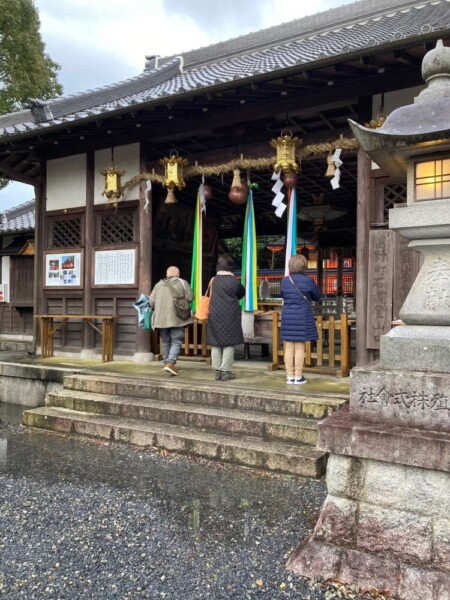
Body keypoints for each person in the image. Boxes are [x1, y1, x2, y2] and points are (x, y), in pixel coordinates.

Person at [280, 254, 321, 385]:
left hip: (288, 315)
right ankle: (298, 376)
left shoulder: (285, 281)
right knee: (299, 347)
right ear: (304, 266)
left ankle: (289, 376)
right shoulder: (308, 281)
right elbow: (317, 296)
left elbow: (283, 295)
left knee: (288, 347)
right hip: (302, 316)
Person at [206, 254, 245, 381]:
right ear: (230, 267)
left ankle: (217, 370)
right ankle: (225, 371)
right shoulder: (234, 281)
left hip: (214, 314)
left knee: (216, 342)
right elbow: (241, 293)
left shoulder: (213, 280)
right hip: (230, 315)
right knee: (229, 342)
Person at [149, 266, 194, 375]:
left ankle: (166, 363)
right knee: (176, 340)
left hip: (161, 319)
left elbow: (151, 302)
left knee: (166, 341)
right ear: (178, 274)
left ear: (166, 274)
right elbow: (190, 297)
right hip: (177, 318)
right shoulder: (183, 283)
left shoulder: (158, 285)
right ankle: (170, 362)